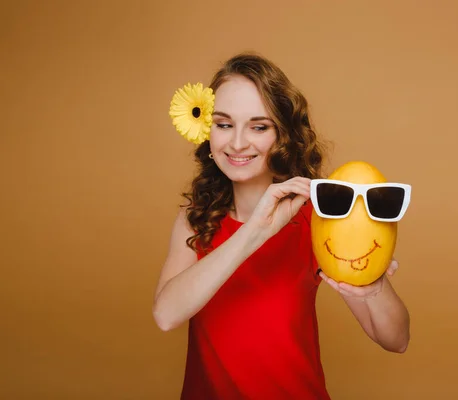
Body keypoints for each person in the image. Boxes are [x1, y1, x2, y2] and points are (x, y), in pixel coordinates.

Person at [152, 52, 411, 400]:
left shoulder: (317, 218)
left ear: (282, 135)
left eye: (259, 127)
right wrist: (254, 232)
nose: (238, 142)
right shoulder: (196, 218)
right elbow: (166, 315)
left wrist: (375, 285)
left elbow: (396, 340)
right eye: (224, 124)